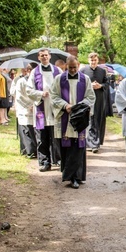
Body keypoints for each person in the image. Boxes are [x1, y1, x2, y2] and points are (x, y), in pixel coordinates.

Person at [50, 56, 95, 188]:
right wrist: (65, 106)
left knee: (78, 147)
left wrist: (79, 107)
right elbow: (53, 95)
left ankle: (77, 176)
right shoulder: (59, 79)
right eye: (70, 67)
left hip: (79, 117)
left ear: (78, 65)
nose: (73, 70)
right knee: (67, 146)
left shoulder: (85, 79)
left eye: (75, 67)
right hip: (65, 115)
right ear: (66, 66)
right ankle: (69, 175)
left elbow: (91, 96)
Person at [26, 49, 62, 172]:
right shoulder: (34, 72)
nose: (44, 57)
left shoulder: (58, 71)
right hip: (41, 107)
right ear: (39, 58)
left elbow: (64, 86)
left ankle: (58, 159)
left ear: (50, 56)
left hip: (55, 107)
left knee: (56, 135)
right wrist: (41, 93)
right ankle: (44, 161)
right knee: (42, 135)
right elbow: (29, 90)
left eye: (46, 55)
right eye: (42, 56)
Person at [79, 52, 108, 153]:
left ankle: (96, 141)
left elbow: (106, 83)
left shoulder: (102, 71)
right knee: (90, 119)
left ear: (98, 60)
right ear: (88, 60)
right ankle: (92, 143)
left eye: (95, 60)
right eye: (91, 60)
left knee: (98, 118)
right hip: (87, 98)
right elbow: (79, 83)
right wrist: (90, 85)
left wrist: (101, 86)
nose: (93, 62)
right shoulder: (83, 70)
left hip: (99, 98)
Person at [11, 64, 38, 158]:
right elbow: (19, 96)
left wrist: (35, 104)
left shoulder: (36, 81)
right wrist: (30, 105)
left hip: (34, 107)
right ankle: (28, 150)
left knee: (33, 130)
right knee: (26, 130)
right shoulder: (20, 81)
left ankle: (34, 150)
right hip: (24, 108)